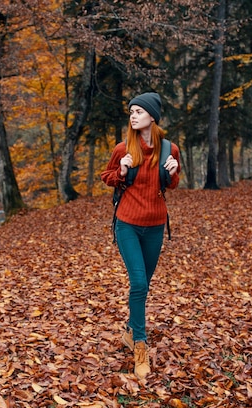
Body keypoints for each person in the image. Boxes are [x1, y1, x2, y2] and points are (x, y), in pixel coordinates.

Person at [100, 92, 180, 381]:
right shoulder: (123, 148)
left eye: (138, 111)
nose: (133, 116)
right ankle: (140, 348)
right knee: (138, 283)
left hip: (156, 225)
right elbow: (106, 176)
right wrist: (121, 170)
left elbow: (172, 184)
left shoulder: (170, 149)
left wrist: (173, 172)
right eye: (131, 111)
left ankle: (130, 331)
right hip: (127, 225)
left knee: (144, 287)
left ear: (152, 117)